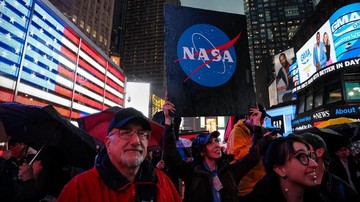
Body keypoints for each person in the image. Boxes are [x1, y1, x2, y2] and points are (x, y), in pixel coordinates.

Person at [57, 107, 181, 202]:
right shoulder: (80, 188)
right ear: (108, 143)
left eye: (142, 133)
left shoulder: (163, 183)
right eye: (125, 132)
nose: (136, 141)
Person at [163, 100, 263, 202]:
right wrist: (168, 120)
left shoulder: (228, 172)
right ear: (201, 152)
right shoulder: (193, 173)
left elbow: (253, 157)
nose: (216, 145)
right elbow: (171, 157)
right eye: (210, 143)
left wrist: (257, 123)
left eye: (216, 141)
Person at [248, 135, 322, 202]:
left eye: (310, 156)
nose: (314, 164)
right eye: (301, 156)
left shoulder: (317, 196)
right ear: (280, 169)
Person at [226, 104, 272, 199]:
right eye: (260, 118)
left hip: (261, 184)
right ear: (249, 116)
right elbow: (240, 158)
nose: (262, 121)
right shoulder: (237, 132)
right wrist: (260, 141)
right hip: (247, 189)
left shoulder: (259, 130)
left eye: (263, 118)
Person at [299, 132, 360, 201]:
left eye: (303, 152)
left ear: (319, 152)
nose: (300, 158)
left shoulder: (340, 188)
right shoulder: (296, 189)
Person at [0, 137, 27, 201]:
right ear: (11, 147)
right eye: (20, 144)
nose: (23, 146)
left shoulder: (22, 162)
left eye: (24, 144)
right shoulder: (4, 161)